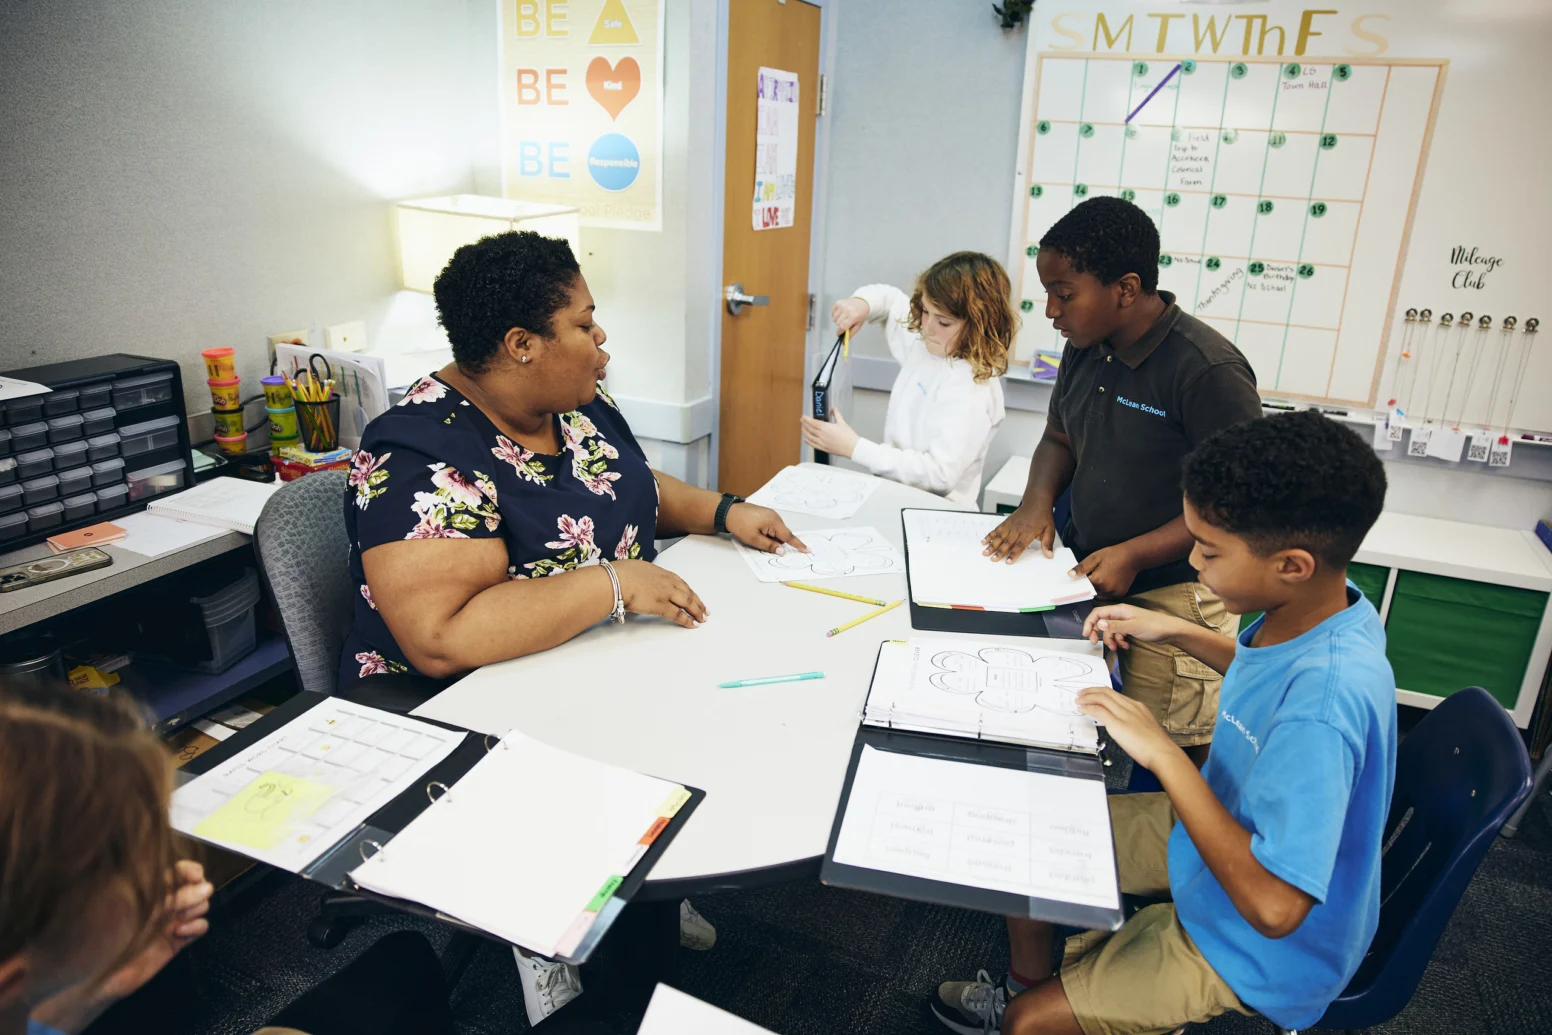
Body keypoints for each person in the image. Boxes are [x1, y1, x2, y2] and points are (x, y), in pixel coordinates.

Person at [340, 229, 769, 1021]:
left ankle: (641, 894)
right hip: (465, 703)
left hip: (586, 662)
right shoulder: (419, 453)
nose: (601, 340)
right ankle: (550, 926)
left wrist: (723, 510)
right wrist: (613, 583)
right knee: (635, 775)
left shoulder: (572, 402)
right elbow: (443, 636)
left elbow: (627, 485)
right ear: (520, 344)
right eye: (583, 322)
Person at [933, 410, 1396, 1035]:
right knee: (1029, 836)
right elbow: (1266, 675)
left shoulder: (1324, 708)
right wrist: (1176, 628)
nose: (1195, 566)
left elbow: (1276, 908)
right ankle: (1054, 986)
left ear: (1292, 564)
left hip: (1268, 945)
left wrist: (1164, 754)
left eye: (1208, 551)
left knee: (1025, 1025)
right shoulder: (1325, 614)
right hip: (1220, 828)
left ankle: (1041, 1005)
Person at [982, 197, 1262, 764]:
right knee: (1096, 728)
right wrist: (1037, 506)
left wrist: (1135, 552)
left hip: (1179, 593)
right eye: (1048, 294)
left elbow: (1238, 506)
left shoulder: (1207, 372)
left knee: (1164, 748)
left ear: (1127, 289)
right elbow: (1059, 437)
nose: (1052, 311)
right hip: (1099, 575)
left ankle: (1175, 845)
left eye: (1064, 294)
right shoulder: (1086, 348)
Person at [799, 251, 1012, 506]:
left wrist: (854, 447)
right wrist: (861, 305)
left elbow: (939, 474)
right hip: (898, 500)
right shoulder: (928, 347)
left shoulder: (973, 388)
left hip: (937, 515)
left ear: (980, 325)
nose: (927, 327)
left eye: (944, 322)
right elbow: (889, 301)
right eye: (925, 311)